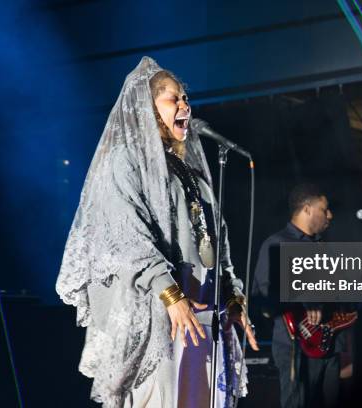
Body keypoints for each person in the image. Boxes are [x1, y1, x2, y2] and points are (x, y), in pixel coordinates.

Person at [56, 56, 258, 408]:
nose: (184, 105)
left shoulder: (191, 171)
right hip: (162, 313)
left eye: (185, 99)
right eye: (172, 99)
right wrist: (170, 294)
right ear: (146, 109)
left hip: (204, 315)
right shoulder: (125, 161)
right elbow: (126, 236)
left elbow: (217, 239)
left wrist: (232, 296)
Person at [252, 182, 346, 408]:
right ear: (307, 209)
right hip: (296, 347)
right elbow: (263, 297)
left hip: (330, 346)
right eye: (325, 209)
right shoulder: (277, 244)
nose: (330, 215)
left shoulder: (324, 248)